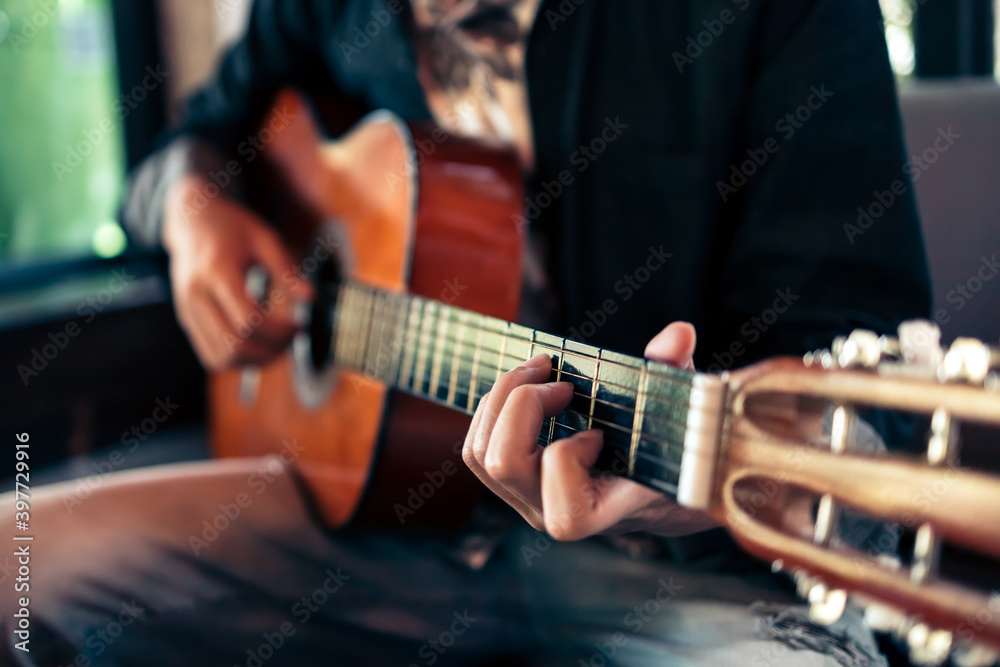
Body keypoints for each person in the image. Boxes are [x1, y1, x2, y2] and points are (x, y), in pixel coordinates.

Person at [1, 1, 930, 665]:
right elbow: (189, 142)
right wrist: (193, 208)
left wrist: (679, 489)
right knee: (14, 555)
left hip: (698, 569)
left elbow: (856, 395)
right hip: (388, 523)